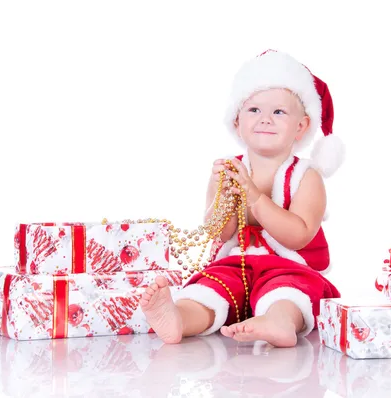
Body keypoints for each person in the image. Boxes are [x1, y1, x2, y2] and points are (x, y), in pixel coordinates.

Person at [140, 49, 345, 347]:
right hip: (237, 264)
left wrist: (255, 198)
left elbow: (299, 235)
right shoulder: (229, 170)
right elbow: (220, 233)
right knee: (212, 288)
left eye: (279, 112)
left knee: (289, 292)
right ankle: (180, 317)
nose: (265, 119)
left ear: (301, 127)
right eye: (254, 111)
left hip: (289, 266)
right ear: (236, 122)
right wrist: (223, 196)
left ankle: (279, 321)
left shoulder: (306, 176)